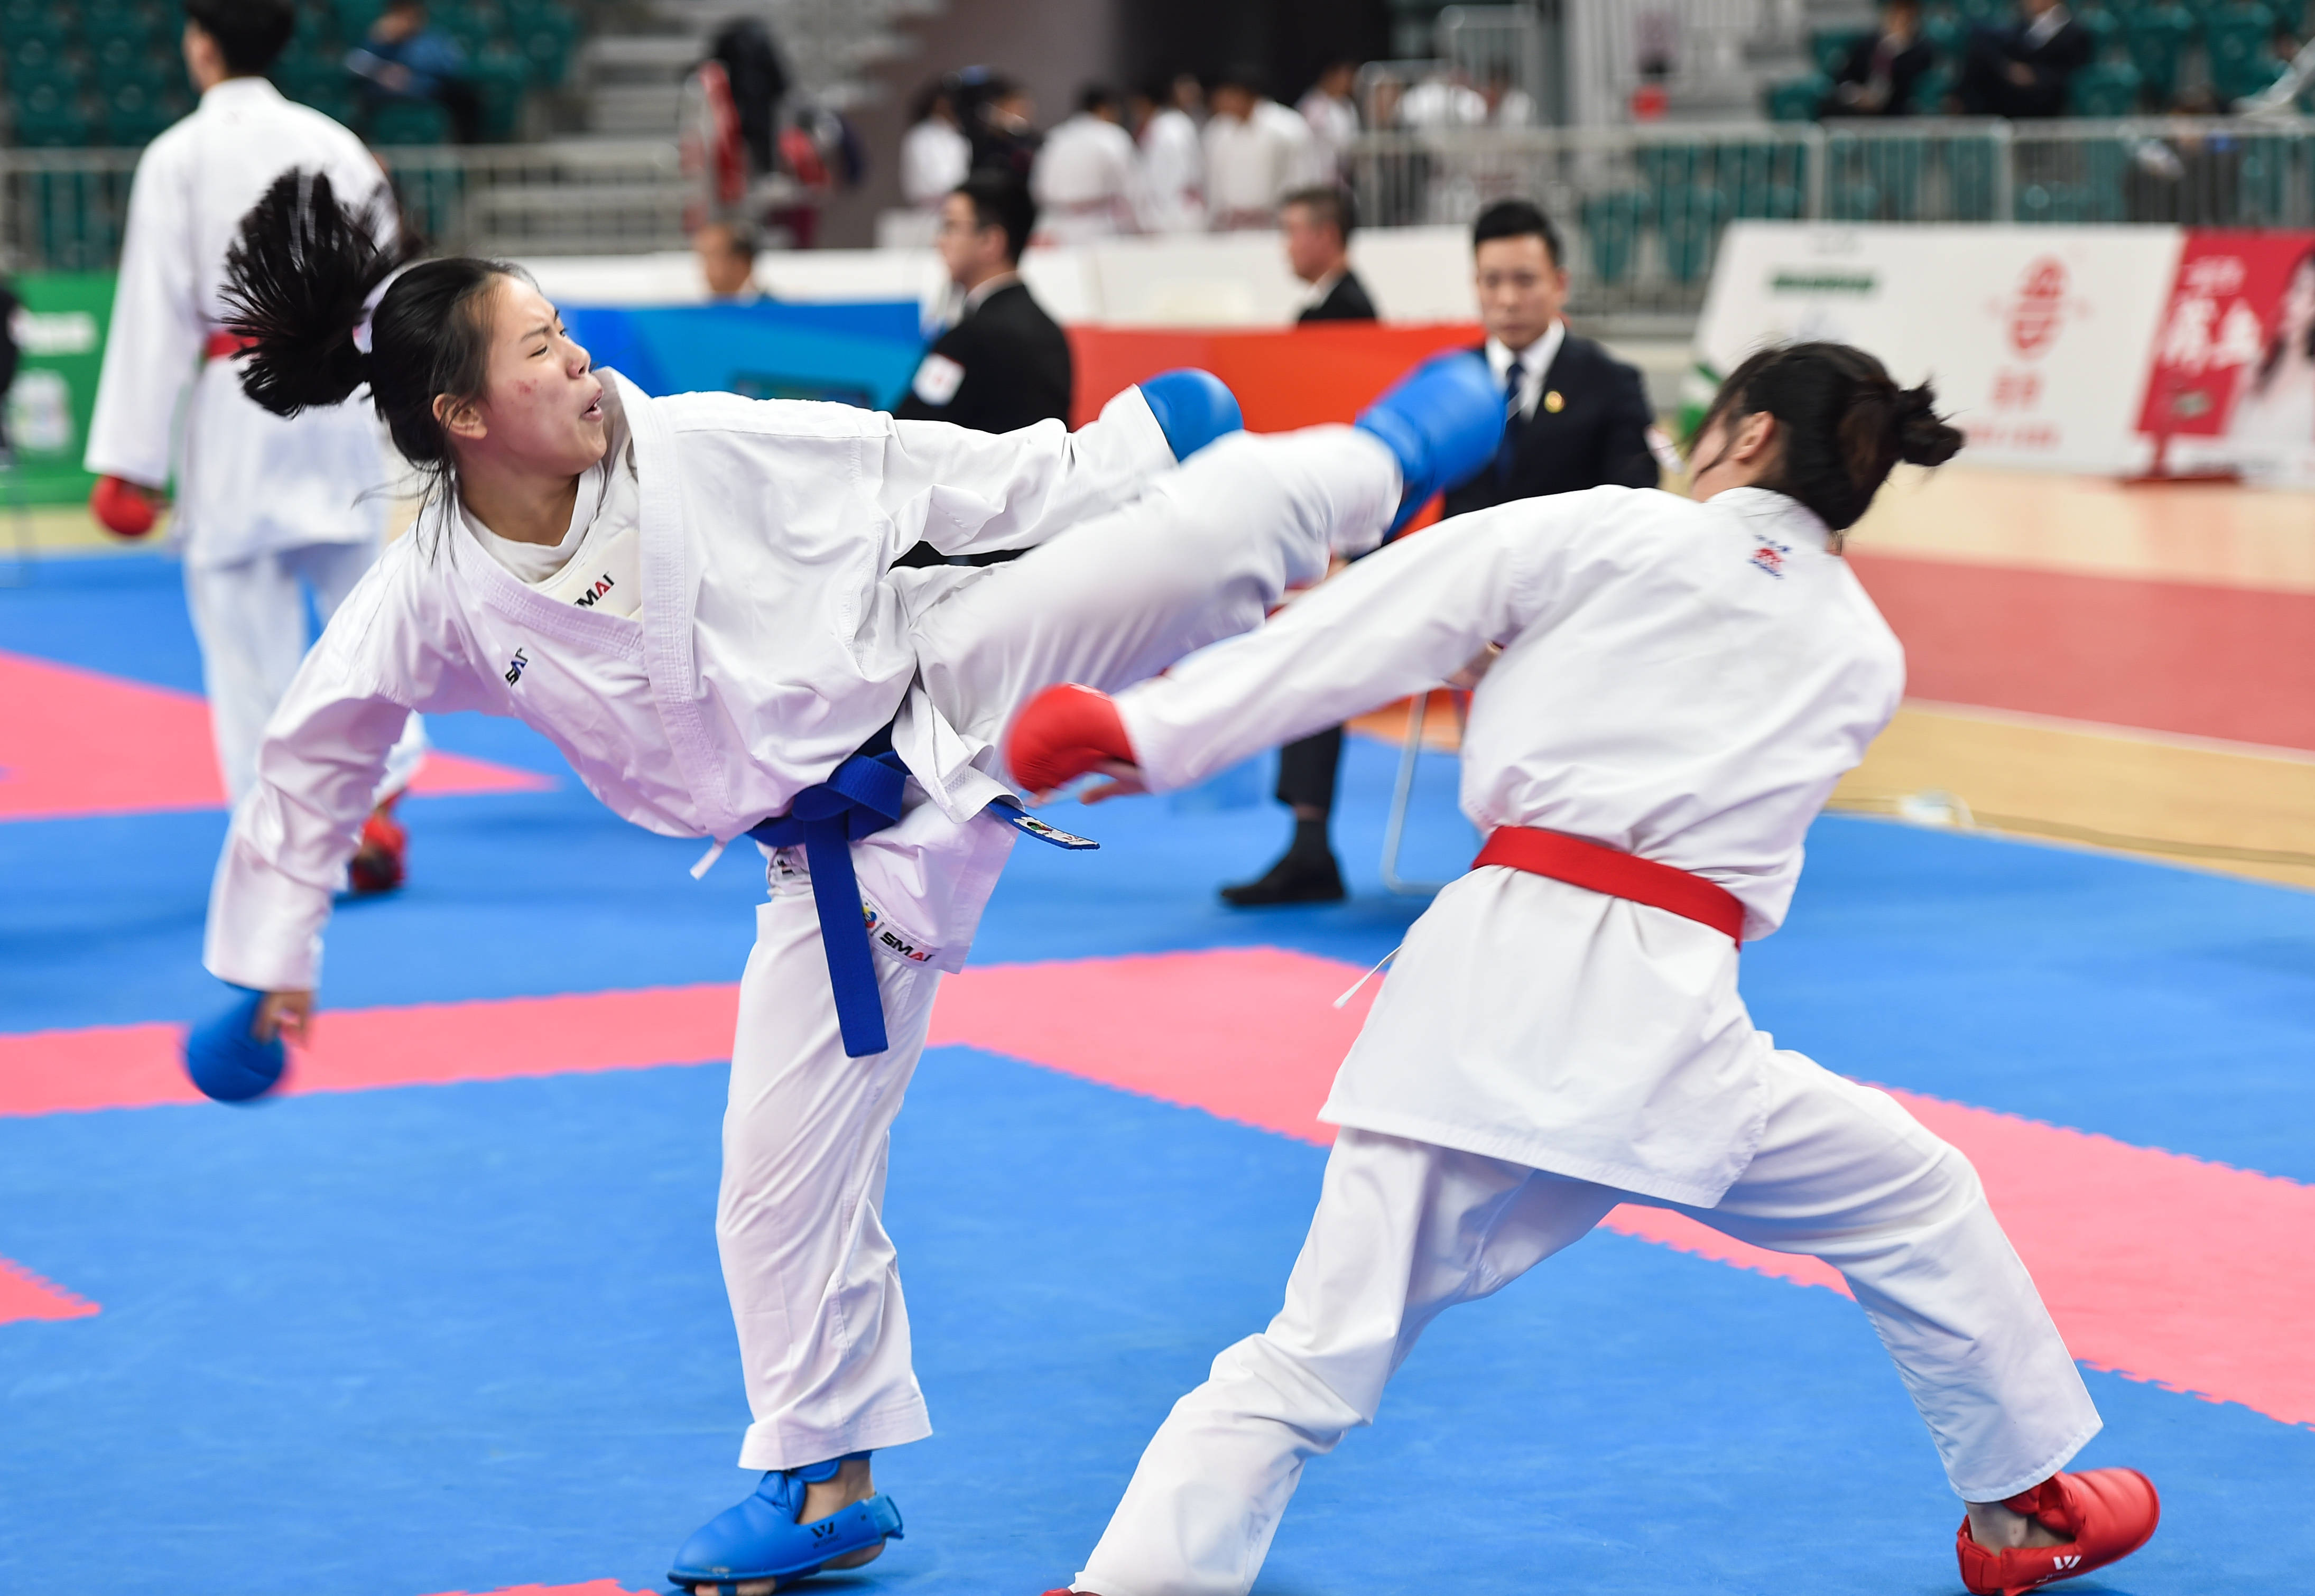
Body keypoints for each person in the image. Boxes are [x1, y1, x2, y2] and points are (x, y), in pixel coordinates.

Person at [205, 163, 1507, 1596]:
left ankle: (1380, 458)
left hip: (946, 672)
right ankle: (827, 1479)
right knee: (769, 1189)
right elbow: (314, 746)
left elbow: (907, 468)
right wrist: (271, 952)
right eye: (543, 349)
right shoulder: (434, 591)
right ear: (462, 417)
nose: (582, 361)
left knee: (1187, 545)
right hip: (832, 861)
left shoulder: (691, 443)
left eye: (567, 330)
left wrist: (1109, 455)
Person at [1007, 341, 2163, 1596]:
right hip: (1666, 1035)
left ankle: (1124, 1583)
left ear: (1748, 434)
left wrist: (1150, 731)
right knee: (1913, 1194)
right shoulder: (1862, 655)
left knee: (1309, 1356)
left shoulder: (1609, 533)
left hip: (1477, 998)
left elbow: (1380, 620)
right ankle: (2017, 1515)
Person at [85, 0, 422, 892]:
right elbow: (392, 288)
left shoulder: (178, 157)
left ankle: (286, 836)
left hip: (240, 410)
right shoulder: (338, 144)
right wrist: (410, 408)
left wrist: (131, 461)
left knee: (245, 640)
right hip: (339, 401)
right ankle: (376, 801)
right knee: (365, 621)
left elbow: (154, 309)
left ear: (201, 46)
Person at [1215, 184, 1376, 908]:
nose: (1285, 246)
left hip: (1351, 532)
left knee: (1313, 659)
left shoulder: (1347, 319)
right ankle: (1308, 842)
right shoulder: (1327, 311)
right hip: (1328, 520)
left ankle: (1311, 845)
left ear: (1328, 236)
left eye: (1294, 233)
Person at [1443, 199, 1660, 521]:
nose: (1508, 300)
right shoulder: (1449, 380)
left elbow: (1634, 510)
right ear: (1476, 284)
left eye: (1525, 280)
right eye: (1492, 281)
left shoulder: (1612, 383)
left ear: (1561, 284)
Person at [896, 172, 1072, 436]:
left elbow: (907, 432)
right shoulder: (1051, 332)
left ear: (991, 242)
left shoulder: (971, 337)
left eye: (950, 227)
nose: (939, 242)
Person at [344, 0, 483, 144]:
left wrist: (411, 74)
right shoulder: (380, 38)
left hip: (427, 90)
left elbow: (451, 67)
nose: (405, 21)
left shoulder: (432, 38)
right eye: (401, 15)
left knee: (466, 97)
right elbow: (354, 64)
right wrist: (382, 67)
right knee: (358, 103)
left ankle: (467, 149)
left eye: (410, 16)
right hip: (385, 93)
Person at [1203, 68, 1318, 231]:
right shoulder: (1217, 131)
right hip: (1230, 228)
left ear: (1244, 95)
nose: (1218, 101)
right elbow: (1214, 184)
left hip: (1274, 226)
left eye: (1226, 94)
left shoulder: (1287, 128)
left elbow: (1301, 178)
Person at [1032, 84, 1141, 243]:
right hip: (1097, 226)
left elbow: (1038, 189)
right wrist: (1139, 226)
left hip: (1055, 224)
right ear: (1106, 107)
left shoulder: (1055, 136)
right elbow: (1132, 188)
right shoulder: (1111, 136)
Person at [1958, 0, 2094, 118]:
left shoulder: (2074, 33)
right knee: (1980, 52)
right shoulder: (2023, 28)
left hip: (2046, 97)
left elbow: (2073, 75)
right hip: (2013, 91)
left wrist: (2034, 76)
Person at [1828, 0, 1938, 116]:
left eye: (1905, 18)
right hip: (1857, 105)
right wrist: (1856, 95)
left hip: (1894, 110)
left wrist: (1893, 48)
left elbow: (1909, 85)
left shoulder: (1922, 50)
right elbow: (1846, 76)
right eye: (1895, 15)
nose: (1899, 21)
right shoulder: (1868, 43)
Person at [1131, 76, 1207, 234]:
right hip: (1172, 212)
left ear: (1143, 103)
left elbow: (1171, 180)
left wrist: (1155, 216)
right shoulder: (1166, 125)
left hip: (1174, 215)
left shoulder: (1169, 130)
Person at [901, 77, 971, 212]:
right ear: (939, 103)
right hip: (930, 208)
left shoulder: (956, 136)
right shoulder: (922, 136)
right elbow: (936, 180)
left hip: (957, 202)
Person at [1297, 59, 1360, 182]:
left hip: (1342, 173)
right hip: (1318, 172)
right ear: (1331, 76)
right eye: (1344, 78)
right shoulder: (1313, 105)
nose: (1348, 84)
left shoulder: (1348, 105)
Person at [692, 220, 764, 303]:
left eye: (714, 257)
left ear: (742, 263)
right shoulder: (701, 311)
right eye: (705, 257)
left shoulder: (771, 310)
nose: (706, 267)